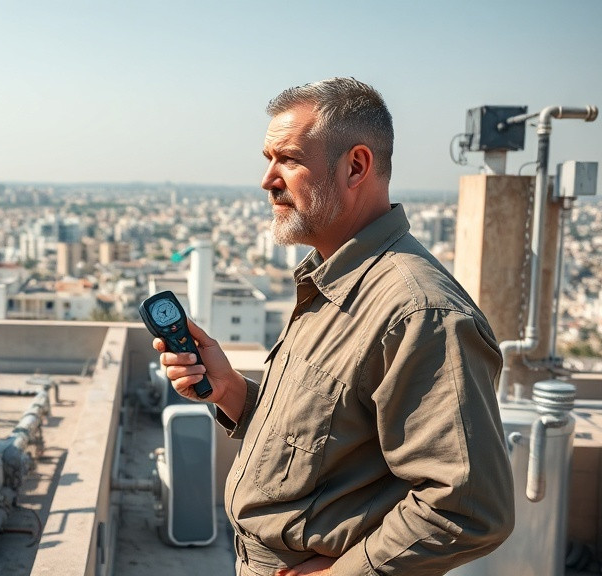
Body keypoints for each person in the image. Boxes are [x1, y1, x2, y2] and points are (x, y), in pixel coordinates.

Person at [154, 78, 514, 576]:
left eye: (289, 159)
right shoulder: (331, 282)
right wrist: (232, 391)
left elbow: (469, 508)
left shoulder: (419, 313)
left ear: (356, 166)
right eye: (268, 158)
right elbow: (331, 442)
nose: (268, 179)